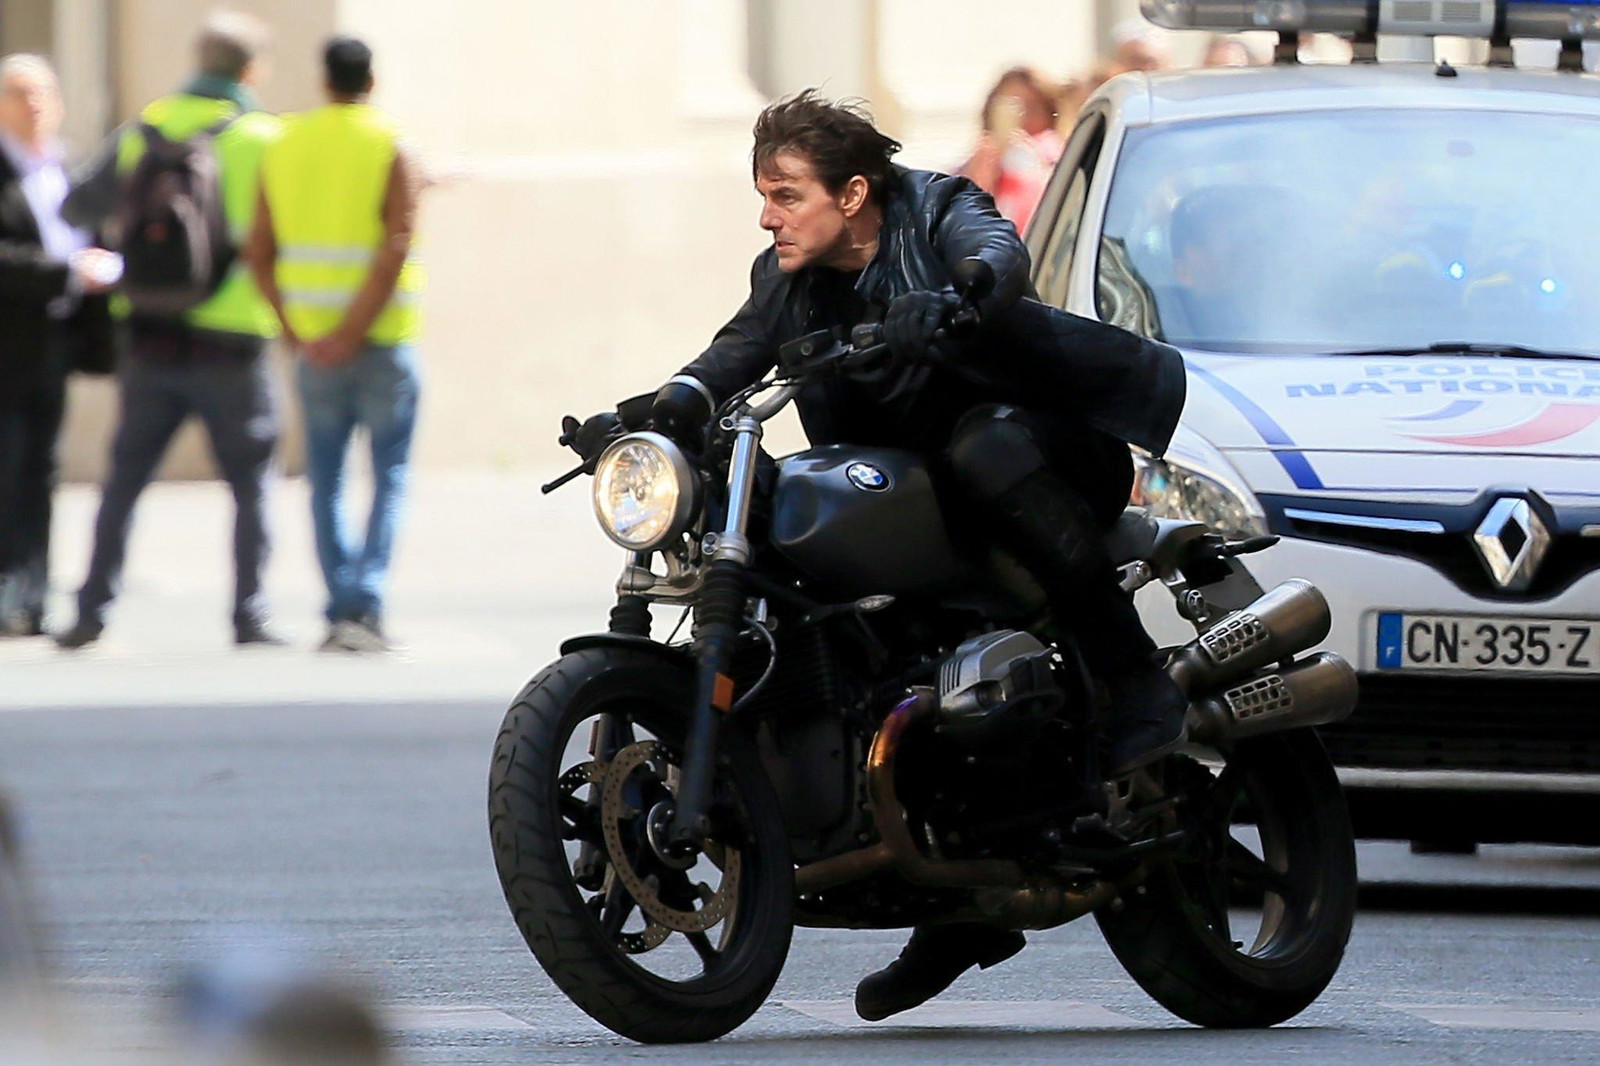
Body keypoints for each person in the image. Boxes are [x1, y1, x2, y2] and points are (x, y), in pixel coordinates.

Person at [579, 90, 1188, 1023]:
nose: (767, 214)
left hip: (1045, 452)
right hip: (916, 488)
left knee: (983, 445)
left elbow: (998, 256)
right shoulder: (786, 276)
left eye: (785, 194)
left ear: (854, 192)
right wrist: (668, 405)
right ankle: (953, 891)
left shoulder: (938, 207)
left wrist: (959, 298)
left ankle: (1133, 676)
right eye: (764, 194)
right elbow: (735, 350)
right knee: (828, 589)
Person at [55, 11, 286, 650]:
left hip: (149, 335)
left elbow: (77, 206)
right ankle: (249, 614)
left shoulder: (144, 130)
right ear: (251, 69)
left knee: (124, 479)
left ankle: (89, 611)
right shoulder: (265, 138)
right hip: (233, 340)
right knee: (250, 484)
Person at [247, 36, 423, 654]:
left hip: (314, 346)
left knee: (324, 478)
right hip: (379, 342)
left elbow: (259, 248)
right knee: (389, 476)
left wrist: (298, 332)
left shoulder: (286, 141)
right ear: (371, 81)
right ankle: (365, 606)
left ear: (323, 82)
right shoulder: (387, 141)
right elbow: (396, 241)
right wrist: (351, 331)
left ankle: (336, 605)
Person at [0, 54, 118, 637]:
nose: (34, 104)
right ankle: (7, 593)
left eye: (44, 92)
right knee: (7, 468)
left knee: (41, 473)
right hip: (7, 343)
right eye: (20, 93)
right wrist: (68, 271)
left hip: (57, 341)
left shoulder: (69, 166)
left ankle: (33, 594)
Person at [958, 67, 1063, 234]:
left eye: (1031, 108)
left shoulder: (1058, 160)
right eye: (1008, 108)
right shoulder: (975, 163)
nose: (1021, 118)